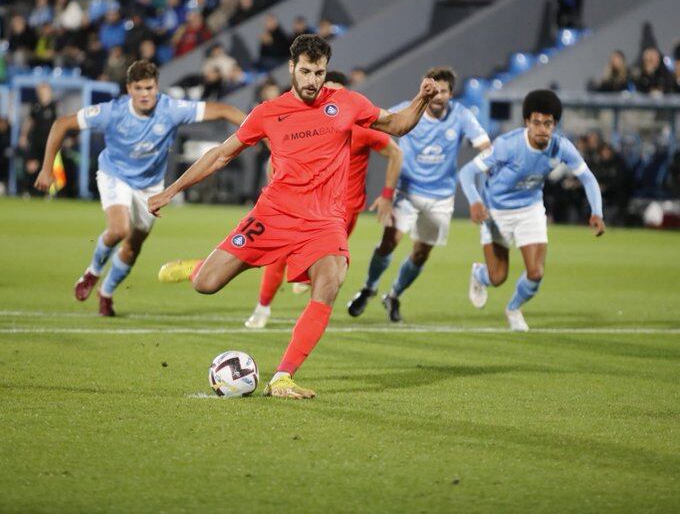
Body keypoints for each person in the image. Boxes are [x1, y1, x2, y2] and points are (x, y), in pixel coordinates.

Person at [147, 35, 438, 399]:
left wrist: (422, 99)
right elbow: (221, 155)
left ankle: (283, 377)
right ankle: (198, 266)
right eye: (305, 71)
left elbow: (396, 125)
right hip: (274, 214)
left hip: (324, 221)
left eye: (319, 72)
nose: (312, 80)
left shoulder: (347, 103)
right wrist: (171, 191)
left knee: (330, 282)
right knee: (206, 284)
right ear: (291, 68)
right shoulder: (268, 112)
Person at [34, 60, 246, 317]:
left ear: (157, 87)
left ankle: (107, 293)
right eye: (139, 88)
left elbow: (222, 109)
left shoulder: (171, 109)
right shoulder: (112, 111)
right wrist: (47, 169)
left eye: (149, 88)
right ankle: (92, 272)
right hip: (116, 175)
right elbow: (61, 124)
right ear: (128, 89)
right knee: (119, 229)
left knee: (133, 246)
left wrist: (259, 130)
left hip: (150, 186)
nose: (145, 94)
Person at [241, 70, 404, 328]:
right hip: (301, 203)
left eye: (339, 91)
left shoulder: (360, 127)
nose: (333, 97)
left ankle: (306, 313)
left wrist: (386, 196)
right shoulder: (308, 125)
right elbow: (278, 161)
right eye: (329, 90)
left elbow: (395, 152)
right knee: (278, 256)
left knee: (327, 273)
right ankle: (262, 308)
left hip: (340, 212)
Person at [347, 66, 490, 323]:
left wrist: (489, 161)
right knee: (389, 241)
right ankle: (369, 288)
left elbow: (484, 145)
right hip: (407, 192)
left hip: (441, 197)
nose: (438, 96)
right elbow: (377, 129)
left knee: (421, 253)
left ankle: (393, 295)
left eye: (443, 91)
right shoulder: (408, 108)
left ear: (450, 93)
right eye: (434, 90)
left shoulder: (461, 115)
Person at [458, 90, 605, 332]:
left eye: (548, 123)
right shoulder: (507, 145)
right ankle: (479, 273)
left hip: (530, 209)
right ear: (527, 122)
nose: (542, 129)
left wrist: (596, 212)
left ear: (555, 124)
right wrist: (475, 201)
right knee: (498, 277)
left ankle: (514, 308)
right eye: (536, 122)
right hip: (496, 213)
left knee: (535, 273)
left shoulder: (561, 147)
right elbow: (467, 172)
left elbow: (588, 178)